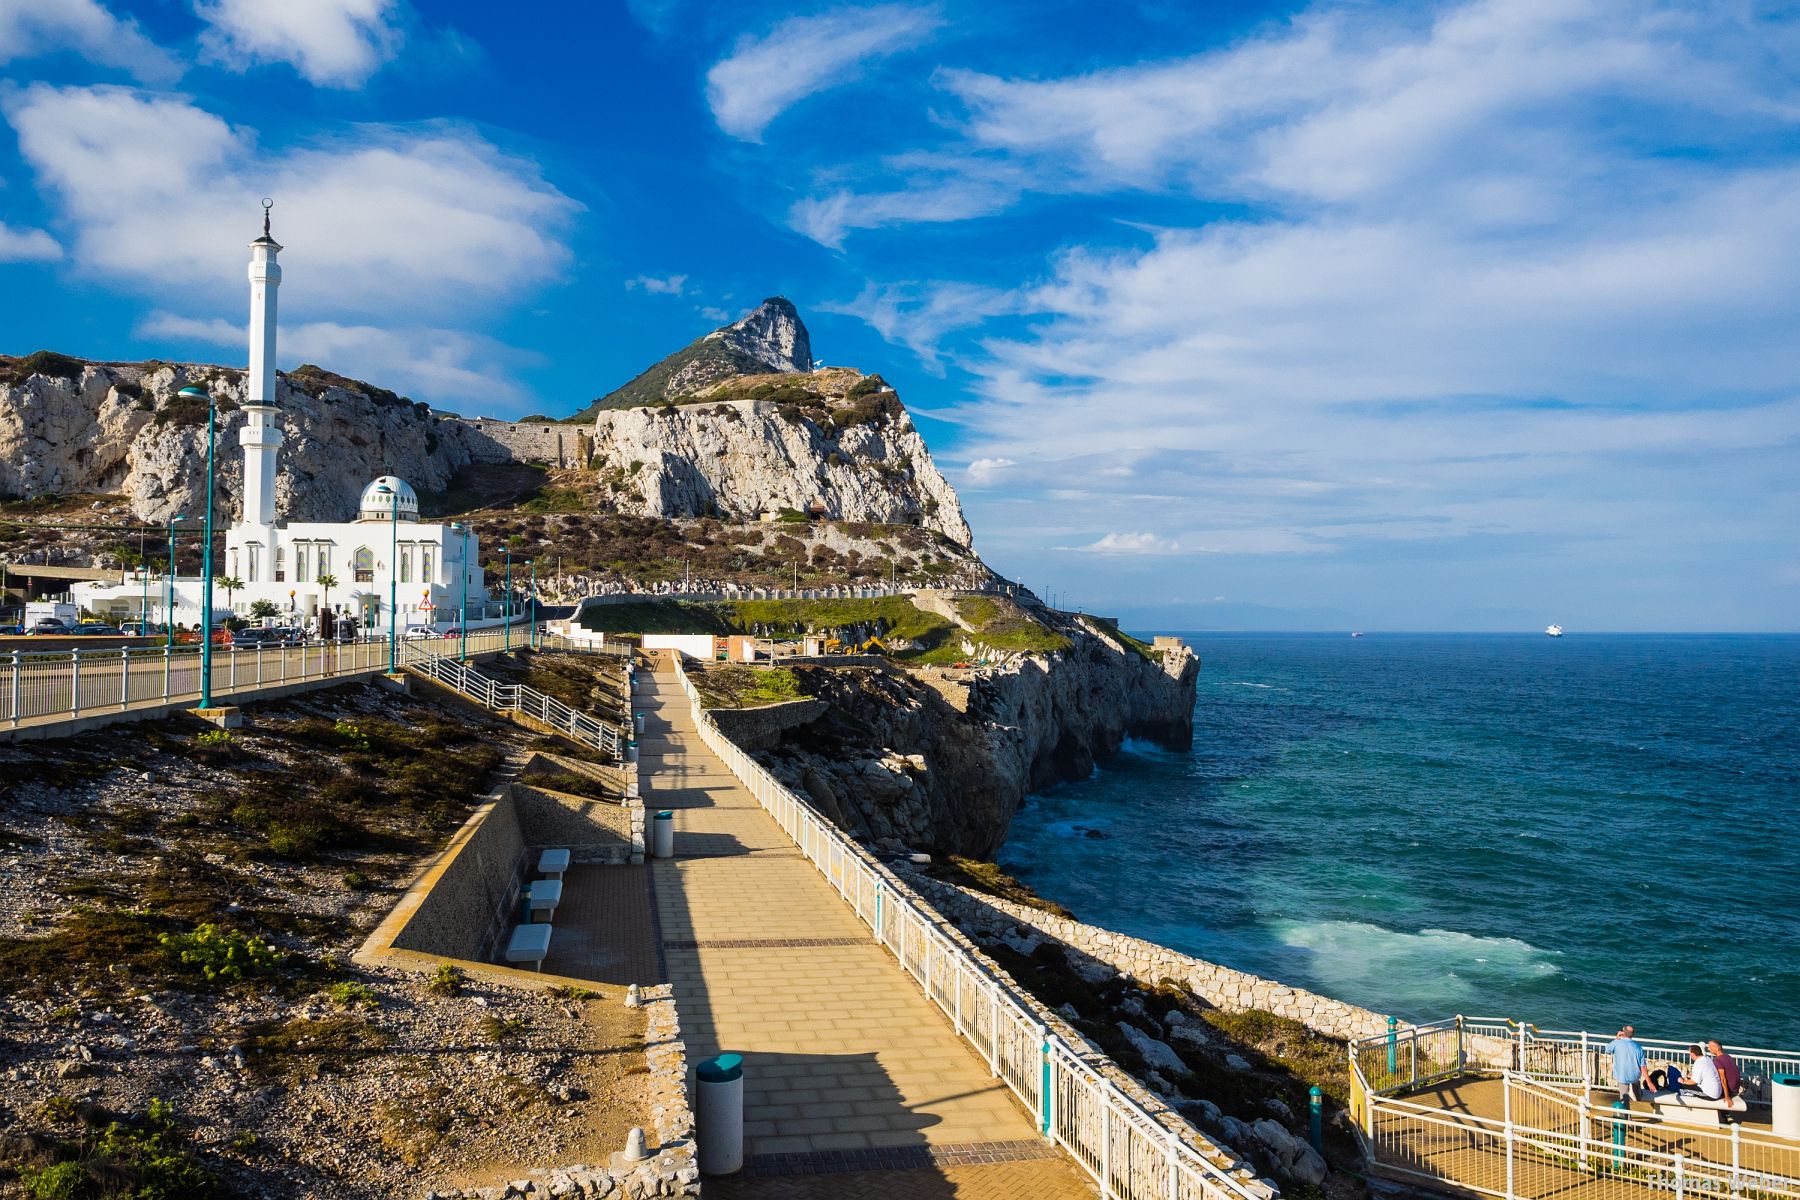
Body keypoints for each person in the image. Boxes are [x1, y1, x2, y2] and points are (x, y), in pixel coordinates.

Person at [1605, 1025, 1650, 1102]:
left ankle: (1626, 1112)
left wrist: (1617, 1038)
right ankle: (1638, 1097)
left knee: (1624, 1098)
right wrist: (1649, 1082)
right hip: (1635, 1075)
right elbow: (1643, 1066)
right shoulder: (1638, 1047)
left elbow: (1607, 1050)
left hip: (1623, 1076)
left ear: (1623, 1033)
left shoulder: (1617, 1043)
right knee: (1636, 1084)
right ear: (1632, 1034)